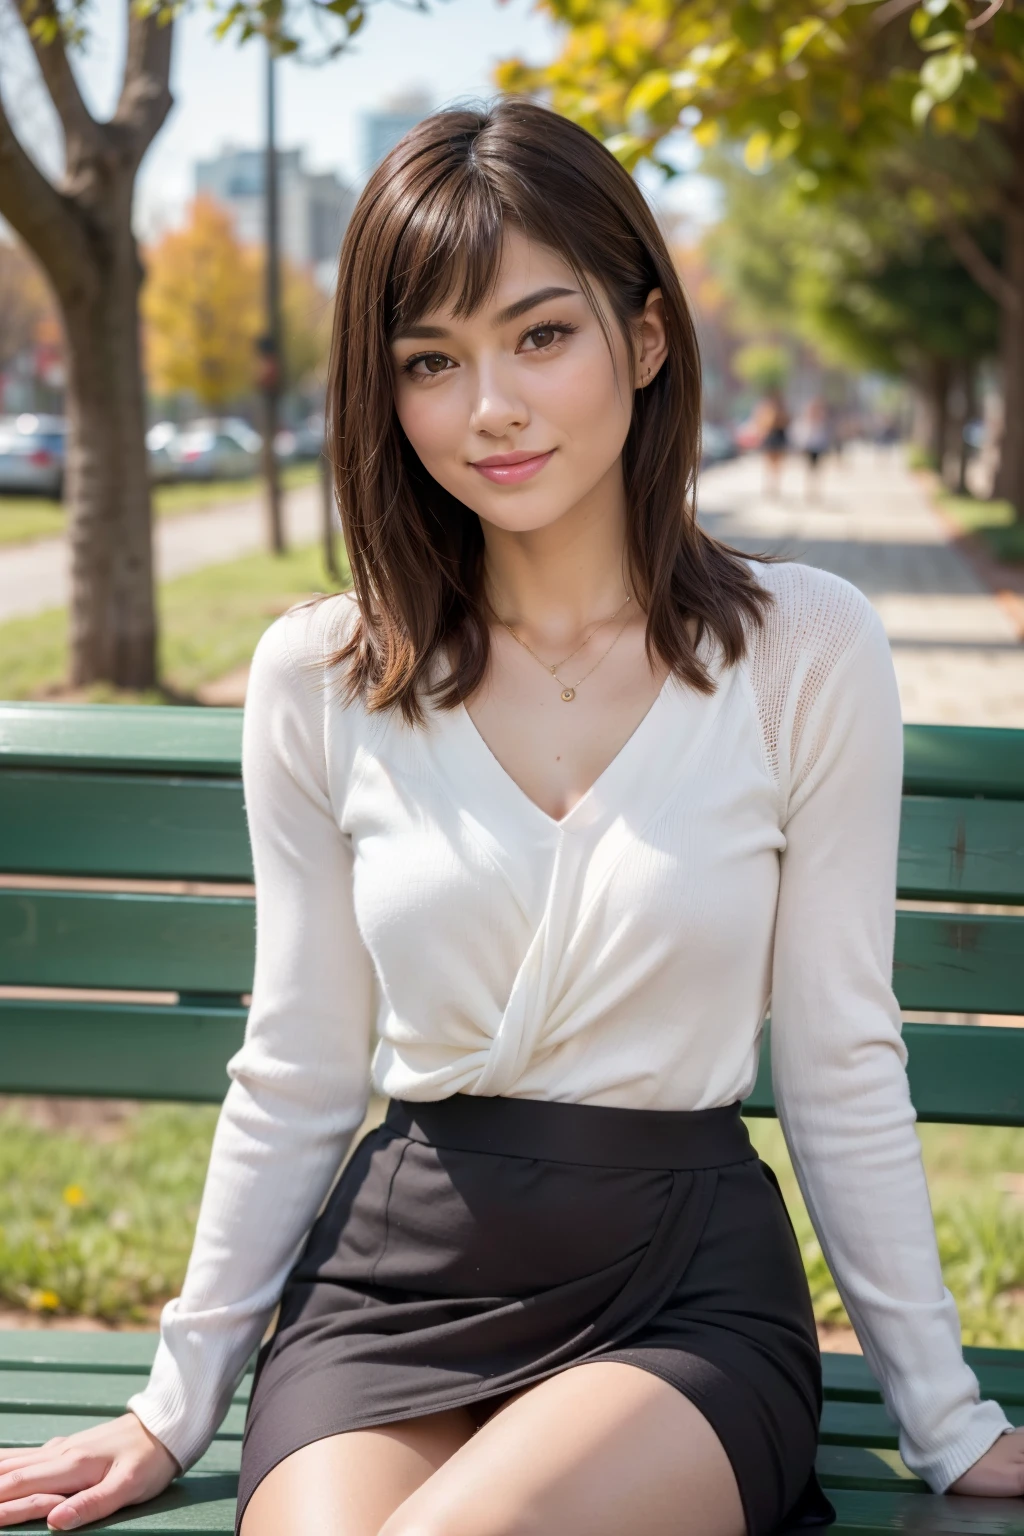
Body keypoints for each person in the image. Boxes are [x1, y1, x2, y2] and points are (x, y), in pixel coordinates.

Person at [1, 100, 1020, 1536]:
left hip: (677, 1291)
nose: (491, 407)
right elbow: (298, 1062)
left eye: (542, 335)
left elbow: (845, 1054)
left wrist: (946, 1414)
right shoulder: (321, 676)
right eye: (432, 360)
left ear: (647, 338)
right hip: (389, 1288)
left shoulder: (806, 649)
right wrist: (175, 1407)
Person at [790, 396, 832, 502]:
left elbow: (825, 434)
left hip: (819, 446)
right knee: (809, 469)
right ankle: (809, 490)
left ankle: (815, 490)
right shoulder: (806, 420)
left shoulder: (822, 420)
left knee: (817, 469)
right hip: (809, 446)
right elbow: (801, 433)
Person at [755, 389, 790, 499]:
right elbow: (762, 423)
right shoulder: (767, 409)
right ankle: (769, 485)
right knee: (769, 463)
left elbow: (786, 422)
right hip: (770, 436)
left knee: (777, 464)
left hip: (778, 436)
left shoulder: (782, 410)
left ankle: (774, 485)